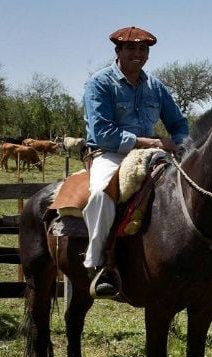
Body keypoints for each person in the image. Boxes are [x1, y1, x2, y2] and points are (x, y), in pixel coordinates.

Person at [82, 26, 189, 298]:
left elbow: (178, 123)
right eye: (131, 48)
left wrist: (182, 144)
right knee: (100, 193)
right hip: (110, 153)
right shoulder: (99, 83)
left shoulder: (156, 86)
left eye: (143, 49)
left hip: (150, 154)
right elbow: (102, 133)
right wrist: (151, 142)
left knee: (181, 190)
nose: (137, 54)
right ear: (118, 51)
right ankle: (99, 265)